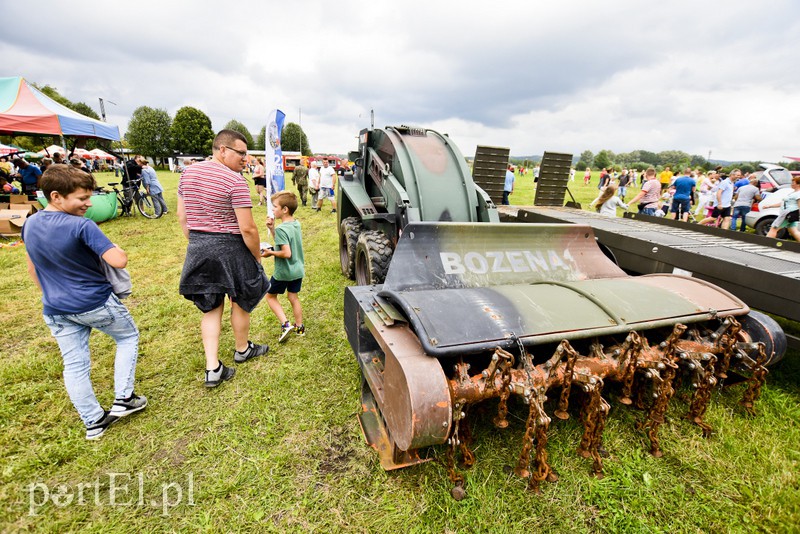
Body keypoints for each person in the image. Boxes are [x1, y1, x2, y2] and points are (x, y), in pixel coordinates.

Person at [21, 165, 146, 440]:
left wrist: (50, 293)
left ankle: (93, 421)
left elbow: (33, 268)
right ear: (56, 196)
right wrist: (114, 245)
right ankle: (124, 398)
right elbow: (118, 260)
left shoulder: (30, 223)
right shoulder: (82, 225)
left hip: (55, 308)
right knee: (127, 338)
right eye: (81, 198)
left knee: (74, 364)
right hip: (94, 302)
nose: (88, 203)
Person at [177, 130, 270, 388]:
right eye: (241, 152)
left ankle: (212, 368)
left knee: (211, 307)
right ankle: (242, 349)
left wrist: (197, 244)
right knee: (239, 300)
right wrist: (256, 259)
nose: (245, 158)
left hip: (198, 244)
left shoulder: (187, 174)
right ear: (223, 150)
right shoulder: (235, 181)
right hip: (231, 248)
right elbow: (248, 229)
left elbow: (182, 217)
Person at [262, 191, 305, 342]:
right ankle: (299, 328)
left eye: (274, 207)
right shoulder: (295, 224)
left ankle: (285, 324)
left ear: (284, 209)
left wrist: (270, 253)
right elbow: (282, 242)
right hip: (298, 269)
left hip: (284, 272)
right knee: (293, 297)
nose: (272, 210)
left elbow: (286, 253)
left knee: (270, 296)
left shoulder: (282, 229)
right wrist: (272, 229)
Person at [765, 176, 800, 240]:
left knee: (773, 228)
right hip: (790, 213)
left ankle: (766, 244)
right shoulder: (793, 193)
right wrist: (769, 206)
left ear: (798, 184)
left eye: (793, 182)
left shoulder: (798, 194)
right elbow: (783, 203)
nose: (791, 184)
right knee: (794, 231)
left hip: (788, 213)